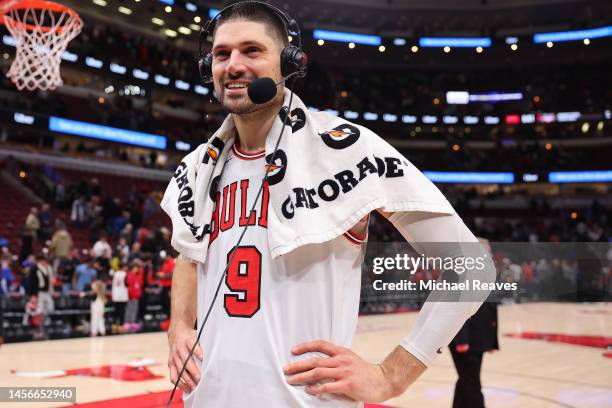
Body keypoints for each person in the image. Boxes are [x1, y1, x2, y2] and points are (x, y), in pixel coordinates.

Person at [162, 2, 494, 407]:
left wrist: (391, 375)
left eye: (252, 51)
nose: (233, 65)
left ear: (288, 63)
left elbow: (473, 267)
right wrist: (179, 326)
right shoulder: (198, 166)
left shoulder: (348, 150)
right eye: (221, 53)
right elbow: (188, 253)